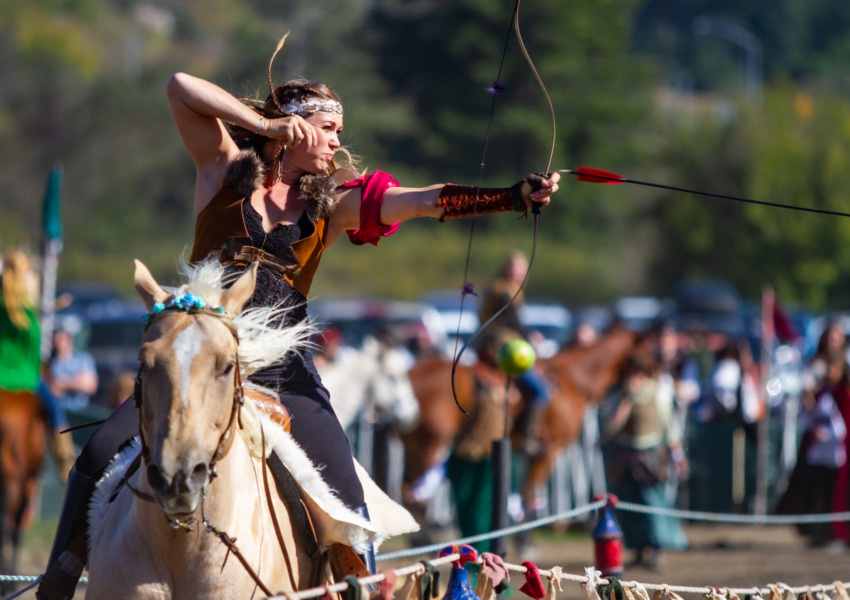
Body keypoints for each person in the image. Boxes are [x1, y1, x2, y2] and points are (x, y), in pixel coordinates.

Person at [36, 51, 560, 599]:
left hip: (284, 369)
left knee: (348, 503)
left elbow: (426, 202)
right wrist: (265, 125)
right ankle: (58, 579)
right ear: (296, 126)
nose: (336, 142)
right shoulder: (222, 168)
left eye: (339, 132)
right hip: (205, 354)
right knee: (98, 456)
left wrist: (510, 197)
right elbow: (179, 86)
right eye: (328, 129)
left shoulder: (333, 203)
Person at [602, 349, 688, 571]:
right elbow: (611, 427)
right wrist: (627, 399)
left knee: (653, 504)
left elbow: (671, 427)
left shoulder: (658, 393)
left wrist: (678, 455)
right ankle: (638, 550)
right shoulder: (619, 395)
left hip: (651, 457)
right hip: (624, 457)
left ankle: (657, 550)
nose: (634, 376)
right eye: (631, 372)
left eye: (638, 372)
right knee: (628, 506)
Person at [0, 251, 76, 483]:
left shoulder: (6, 304)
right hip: (27, 378)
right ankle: (66, 465)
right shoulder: (26, 308)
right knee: (55, 410)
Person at [477, 250, 552, 457]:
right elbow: (512, 323)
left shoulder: (498, 287)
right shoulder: (505, 291)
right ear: (506, 268)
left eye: (520, 268)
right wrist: (530, 339)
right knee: (540, 390)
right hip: (503, 348)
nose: (517, 272)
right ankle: (528, 438)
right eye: (513, 266)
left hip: (489, 344)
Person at [44, 316, 99, 413]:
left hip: (81, 413)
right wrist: (76, 380)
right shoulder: (50, 362)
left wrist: (62, 383)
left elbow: (90, 385)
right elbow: (51, 389)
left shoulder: (83, 359)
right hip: (58, 411)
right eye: (56, 335)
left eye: (62, 335)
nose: (57, 338)